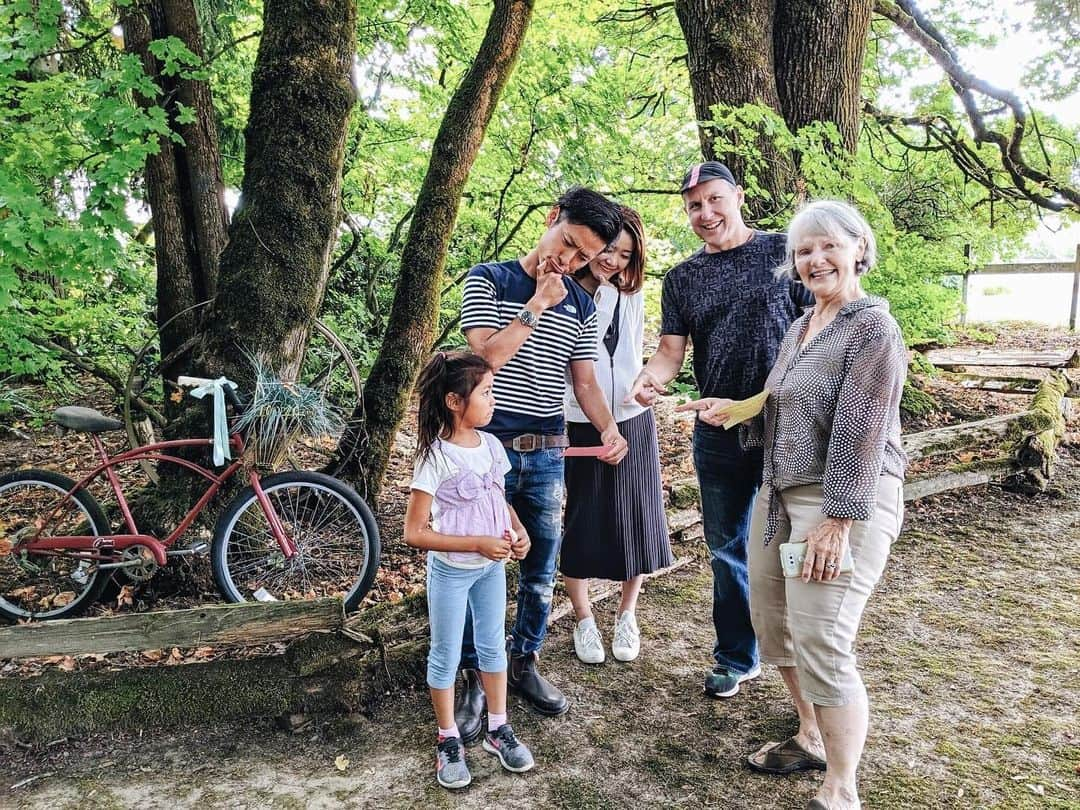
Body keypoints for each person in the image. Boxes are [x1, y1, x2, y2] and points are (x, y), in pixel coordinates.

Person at [715, 200, 905, 810]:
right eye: (803, 251)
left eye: (827, 246)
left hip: (840, 499)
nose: (815, 259)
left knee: (822, 636)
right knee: (772, 624)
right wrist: (738, 410)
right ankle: (811, 732)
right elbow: (782, 399)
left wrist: (837, 520)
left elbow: (861, 424)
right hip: (779, 496)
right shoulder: (802, 326)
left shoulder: (871, 325)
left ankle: (841, 788)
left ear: (858, 248)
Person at [627, 162, 812, 698]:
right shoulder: (683, 278)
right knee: (727, 547)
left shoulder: (787, 251)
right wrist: (648, 378)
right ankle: (736, 656)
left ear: (738, 195)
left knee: (793, 542)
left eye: (713, 200)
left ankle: (805, 651)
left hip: (790, 426)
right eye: (693, 206)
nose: (705, 213)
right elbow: (669, 352)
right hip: (718, 429)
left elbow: (821, 327)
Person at [456, 186, 629, 733]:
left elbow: (583, 380)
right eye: (569, 244)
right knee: (476, 567)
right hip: (485, 457)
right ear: (552, 217)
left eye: (583, 257)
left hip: (548, 454)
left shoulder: (582, 302)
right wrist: (535, 306)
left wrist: (608, 427)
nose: (570, 261)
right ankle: (470, 677)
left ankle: (524, 663)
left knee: (540, 569)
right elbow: (480, 361)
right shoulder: (489, 278)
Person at [403, 351, 536, 790]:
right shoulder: (435, 458)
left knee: (494, 646)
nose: (494, 400)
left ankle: (498, 727)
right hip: (452, 573)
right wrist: (476, 543)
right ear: (455, 401)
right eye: (487, 392)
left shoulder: (492, 447)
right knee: (445, 654)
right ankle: (447, 738)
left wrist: (518, 532)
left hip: (490, 571)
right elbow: (415, 533)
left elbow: (499, 501)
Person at [561, 205, 673, 664]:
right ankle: (583, 618)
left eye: (626, 255)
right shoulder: (567, 291)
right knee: (582, 515)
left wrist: (647, 382)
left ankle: (628, 612)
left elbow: (637, 352)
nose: (614, 261)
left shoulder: (633, 292)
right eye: (609, 250)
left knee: (639, 515)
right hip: (578, 417)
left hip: (631, 415)